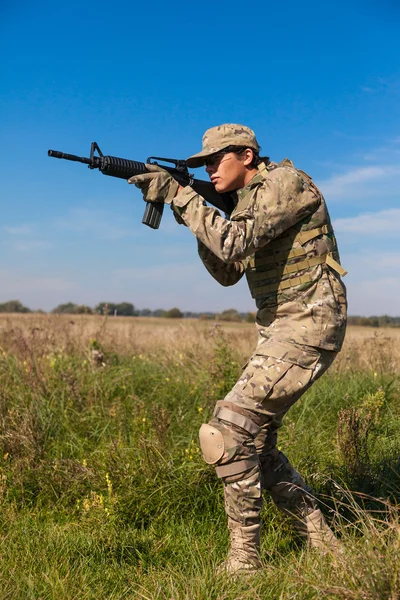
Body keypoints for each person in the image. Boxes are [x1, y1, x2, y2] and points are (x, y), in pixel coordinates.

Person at [129, 124, 347, 574]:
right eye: (203, 164)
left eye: (215, 159)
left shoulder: (286, 184)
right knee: (256, 444)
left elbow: (232, 242)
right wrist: (191, 213)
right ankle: (323, 544)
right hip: (283, 329)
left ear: (246, 156)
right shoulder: (246, 204)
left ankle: (245, 562)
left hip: (309, 322)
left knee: (227, 430)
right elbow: (228, 269)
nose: (208, 168)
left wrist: (183, 197)